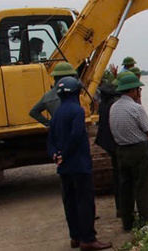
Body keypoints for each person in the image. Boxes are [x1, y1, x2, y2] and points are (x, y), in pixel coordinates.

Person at [47, 76, 112, 251]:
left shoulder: (57, 113)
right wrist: (65, 154)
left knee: (70, 201)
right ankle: (88, 239)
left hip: (64, 167)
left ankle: (75, 236)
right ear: (76, 91)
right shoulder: (77, 111)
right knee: (85, 201)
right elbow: (76, 135)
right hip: (79, 164)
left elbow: (51, 139)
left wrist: (56, 155)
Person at [109, 73, 148, 231]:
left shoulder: (113, 107)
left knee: (125, 188)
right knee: (142, 188)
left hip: (121, 151)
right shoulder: (136, 108)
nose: (139, 92)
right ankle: (146, 223)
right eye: (138, 89)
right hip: (138, 151)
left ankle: (127, 223)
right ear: (132, 91)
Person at [94, 81, 121, 217]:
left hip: (107, 143)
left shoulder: (104, 105)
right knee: (121, 177)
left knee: (118, 176)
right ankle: (122, 208)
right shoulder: (112, 106)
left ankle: (120, 208)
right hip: (114, 144)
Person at [29, 62, 78, 126]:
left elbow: (33, 112)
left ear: (55, 78)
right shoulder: (72, 94)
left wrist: (49, 124)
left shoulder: (47, 96)